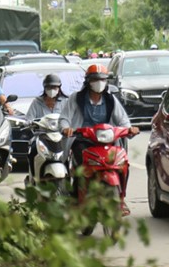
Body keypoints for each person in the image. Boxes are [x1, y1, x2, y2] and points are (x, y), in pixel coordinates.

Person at [59, 64, 140, 214]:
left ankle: (121, 198)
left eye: (102, 79)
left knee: (123, 163)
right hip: (83, 139)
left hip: (107, 139)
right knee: (79, 165)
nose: (99, 82)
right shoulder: (76, 98)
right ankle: (76, 198)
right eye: (96, 79)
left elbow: (123, 120)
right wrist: (66, 128)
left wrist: (130, 129)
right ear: (88, 81)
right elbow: (64, 118)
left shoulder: (110, 100)